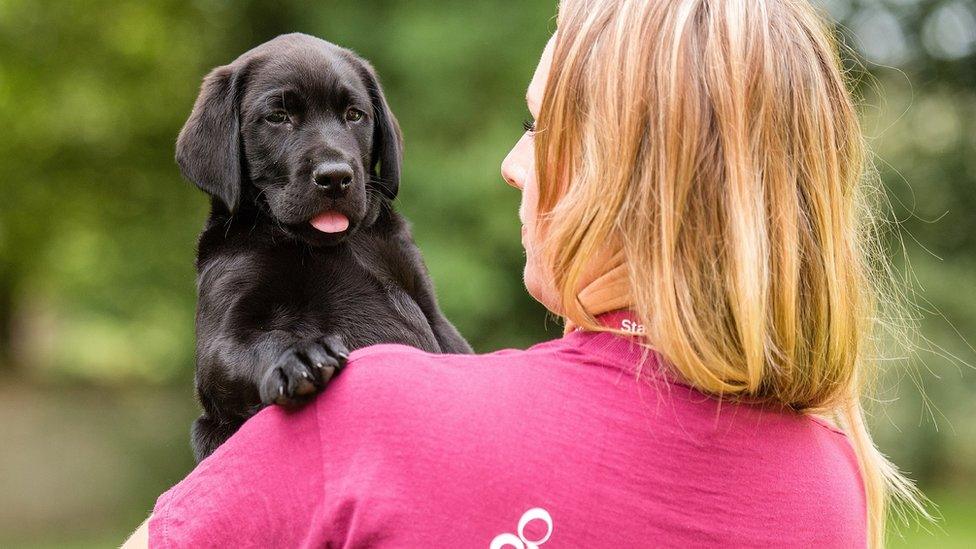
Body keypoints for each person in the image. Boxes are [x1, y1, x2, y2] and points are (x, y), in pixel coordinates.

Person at [125, 0, 927, 546]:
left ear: (626, 172)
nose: (513, 165)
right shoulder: (832, 486)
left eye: (539, 127)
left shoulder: (365, 415)